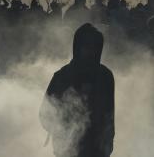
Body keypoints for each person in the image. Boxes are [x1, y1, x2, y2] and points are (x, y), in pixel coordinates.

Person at [41, 23, 115, 157]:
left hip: (97, 150)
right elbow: (45, 113)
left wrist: (107, 144)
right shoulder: (62, 76)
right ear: (78, 47)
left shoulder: (105, 77)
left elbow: (109, 114)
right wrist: (62, 133)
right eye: (86, 46)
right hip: (67, 150)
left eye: (94, 47)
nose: (91, 51)